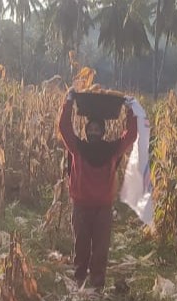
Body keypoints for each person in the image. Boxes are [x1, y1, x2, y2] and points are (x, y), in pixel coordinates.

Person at [58, 88, 138, 290]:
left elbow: (131, 135)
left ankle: (97, 284)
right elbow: (64, 128)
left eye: (97, 129)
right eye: (91, 129)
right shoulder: (77, 148)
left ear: (102, 132)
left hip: (102, 207)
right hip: (82, 206)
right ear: (86, 131)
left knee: (101, 249)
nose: (94, 132)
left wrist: (131, 109)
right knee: (81, 246)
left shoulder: (111, 150)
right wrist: (68, 102)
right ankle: (79, 280)